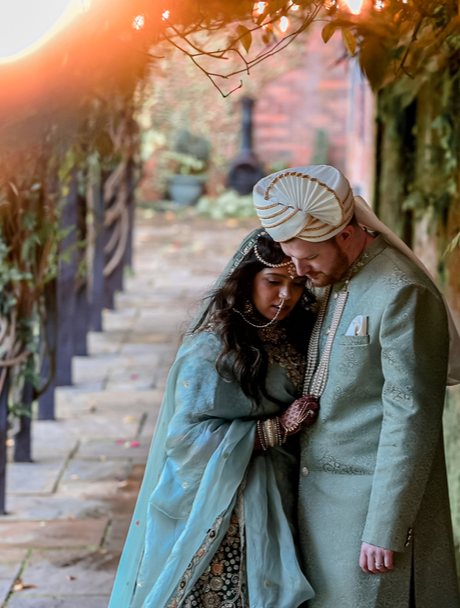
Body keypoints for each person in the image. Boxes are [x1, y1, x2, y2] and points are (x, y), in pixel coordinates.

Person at [254, 165, 460, 607]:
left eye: (310, 258)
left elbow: (411, 415)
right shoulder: (333, 277)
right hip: (315, 503)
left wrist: (386, 525)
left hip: (367, 518)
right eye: (293, 257)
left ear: (345, 233)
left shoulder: (402, 292)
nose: (300, 272)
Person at [108, 229, 319, 608]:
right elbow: (185, 437)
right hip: (226, 506)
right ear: (247, 279)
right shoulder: (213, 348)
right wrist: (276, 429)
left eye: (298, 284)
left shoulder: (296, 332)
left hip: (287, 489)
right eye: (273, 281)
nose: (286, 295)